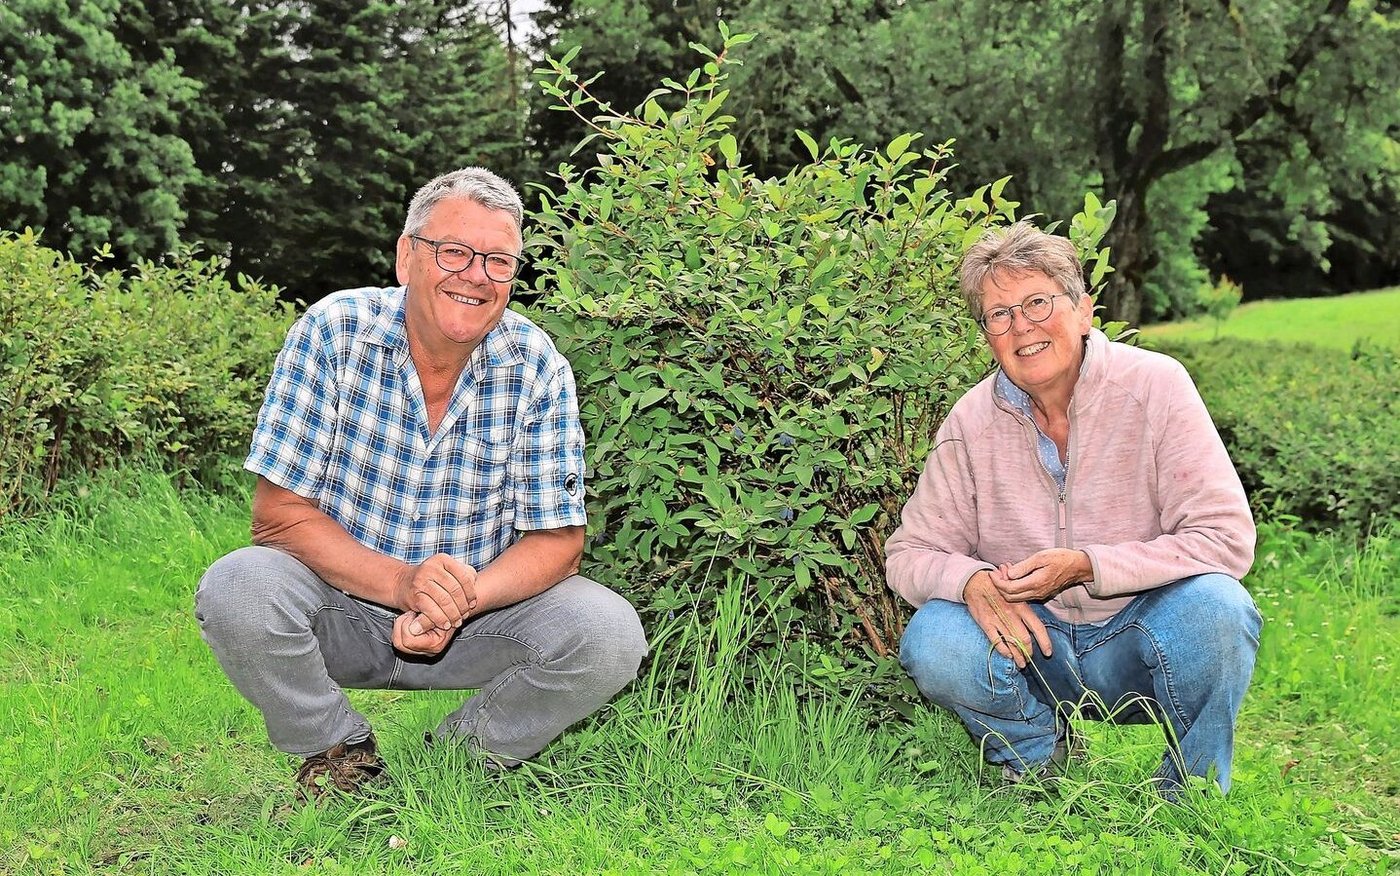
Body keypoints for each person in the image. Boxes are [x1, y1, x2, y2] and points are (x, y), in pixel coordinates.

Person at [196, 167, 647, 799]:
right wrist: (406, 584)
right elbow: (279, 516)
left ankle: (457, 762)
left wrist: (457, 600)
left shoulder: (536, 363)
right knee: (238, 587)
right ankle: (338, 755)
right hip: (341, 609)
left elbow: (558, 543)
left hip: (475, 621)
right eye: (455, 252)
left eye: (498, 261)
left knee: (609, 634)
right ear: (408, 256)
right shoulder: (334, 332)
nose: (475, 276)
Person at [885, 220, 1260, 795]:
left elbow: (1226, 537)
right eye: (999, 314)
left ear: (1084, 311)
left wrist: (1089, 566)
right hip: (1036, 643)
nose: (1021, 327)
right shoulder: (970, 421)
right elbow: (909, 554)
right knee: (935, 636)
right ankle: (1038, 761)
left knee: (1219, 609)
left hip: (1140, 633)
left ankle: (1194, 790)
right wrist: (969, 582)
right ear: (987, 334)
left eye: (1038, 303)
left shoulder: (1157, 386)